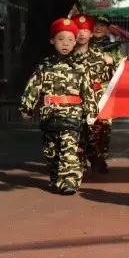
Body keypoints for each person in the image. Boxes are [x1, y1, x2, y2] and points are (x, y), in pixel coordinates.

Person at [19, 18, 98, 195]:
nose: (66, 43)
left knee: (69, 149)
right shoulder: (44, 66)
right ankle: (57, 178)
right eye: (61, 39)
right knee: (51, 151)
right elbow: (33, 88)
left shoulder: (81, 67)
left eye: (70, 39)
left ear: (75, 42)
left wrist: (92, 112)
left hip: (72, 115)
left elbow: (88, 91)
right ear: (52, 40)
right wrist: (26, 108)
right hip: (49, 115)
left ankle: (69, 180)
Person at [71, 13, 119, 175]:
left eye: (85, 30)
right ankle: (79, 161)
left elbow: (117, 74)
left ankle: (98, 158)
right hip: (75, 100)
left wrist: (113, 63)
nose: (82, 34)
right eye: (79, 29)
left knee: (101, 132)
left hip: (98, 98)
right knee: (77, 131)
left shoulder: (103, 53)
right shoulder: (66, 54)